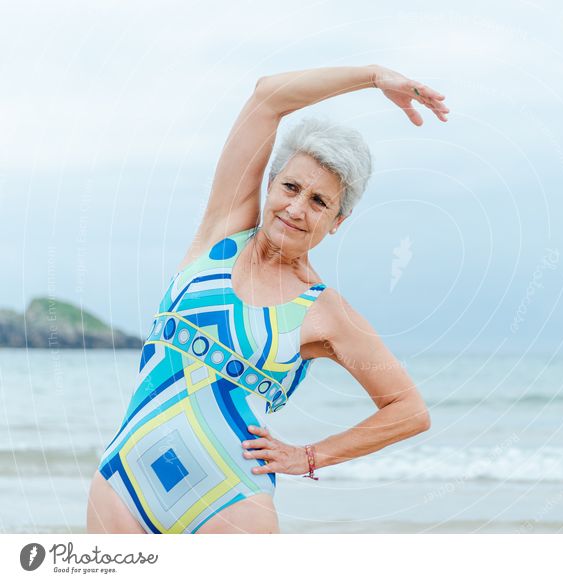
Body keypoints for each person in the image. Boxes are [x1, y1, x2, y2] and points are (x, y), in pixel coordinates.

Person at [85, 64, 449, 534]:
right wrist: (374, 77)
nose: (297, 208)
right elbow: (267, 98)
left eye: (319, 202)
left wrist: (310, 456)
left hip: (229, 503)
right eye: (291, 187)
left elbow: (408, 410)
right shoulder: (222, 232)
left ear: (338, 221)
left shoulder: (325, 313)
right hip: (122, 486)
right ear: (270, 185)